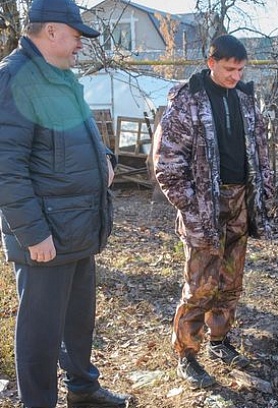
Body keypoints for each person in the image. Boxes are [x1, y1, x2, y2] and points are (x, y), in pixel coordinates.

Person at [0, 0, 131, 407]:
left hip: (78, 229)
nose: (81, 45)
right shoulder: (15, 79)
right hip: (46, 238)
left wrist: (106, 162)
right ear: (52, 31)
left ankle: (83, 390)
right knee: (39, 332)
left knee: (78, 321)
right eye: (76, 36)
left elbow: (83, 137)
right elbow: (7, 167)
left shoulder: (61, 78)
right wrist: (33, 233)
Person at [153, 34, 274, 389]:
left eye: (240, 69)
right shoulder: (187, 102)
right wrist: (190, 205)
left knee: (230, 283)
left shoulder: (246, 100)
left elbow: (262, 152)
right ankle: (187, 355)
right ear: (211, 63)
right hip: (203, 207)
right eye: (228, 69)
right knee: (200, 286)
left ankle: (220, 342)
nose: (235, 75)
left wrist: (263, 194)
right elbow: (167, 163)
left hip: (240, 204)